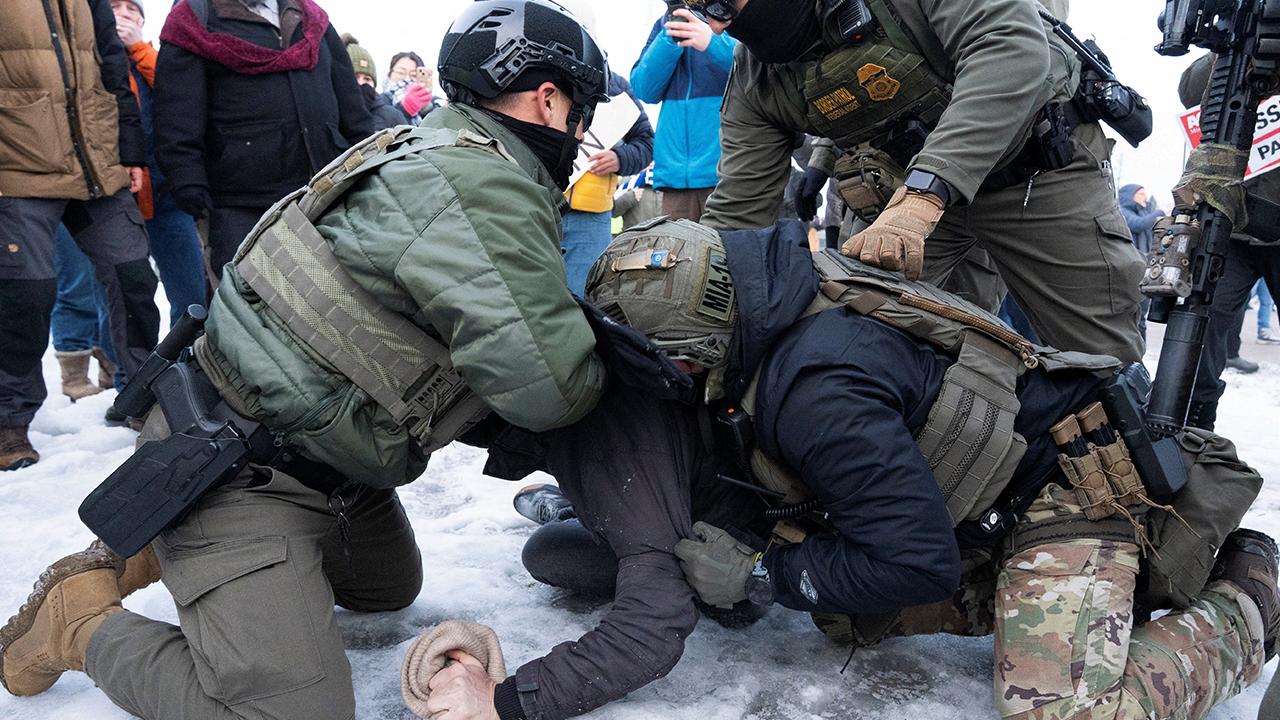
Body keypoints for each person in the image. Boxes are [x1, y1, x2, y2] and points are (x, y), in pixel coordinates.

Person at [0, 4, 611, 719]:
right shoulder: (485, 185)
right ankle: (78, 621)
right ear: (549, 99)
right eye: (580, 114)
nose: (577, 135)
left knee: (386, 590)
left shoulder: (421, 149)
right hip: (233, 471)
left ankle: (158, 546)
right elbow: (552, 391)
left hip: (314, 458)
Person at [425, 216, 1277, 720]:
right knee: (848, 615)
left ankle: (1249, 594)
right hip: (979, 492)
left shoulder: (812, 391)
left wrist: (764, 574)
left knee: (1061, 710)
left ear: (695, 351)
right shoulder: (775, 306)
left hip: (1067, 493)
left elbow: (915, 562)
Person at [696, 0, 1147, 363]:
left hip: (1034, 172)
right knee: (851, 348)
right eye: (697, 10)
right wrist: (684, 277)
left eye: (717, 4)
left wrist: (924, 195)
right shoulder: (755, 76)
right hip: (903, 199)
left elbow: (1009, 48)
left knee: (1104, 363)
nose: (715, 28)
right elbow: (737, 212)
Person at [0, 0, 161, 471]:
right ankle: (9, 419)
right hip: (17, 167)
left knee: (133, 276)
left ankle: (142, 395)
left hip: (96, 162)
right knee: (25, 295)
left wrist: (131, 151)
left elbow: (114, 71)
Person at [154, 0, 374, 275]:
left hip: (326, 192)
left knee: (335, 303)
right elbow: (176, 113)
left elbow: (351, 105)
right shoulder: (193, 19)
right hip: (241, 204)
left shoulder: (313, 19)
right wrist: (188, 180)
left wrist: (371, 159)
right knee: (253, 308)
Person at [1179, 53, 1280, 429]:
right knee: (1201, 336)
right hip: (1232, 226)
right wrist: (1240, 44)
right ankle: (1195, 434)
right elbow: (1190, 91)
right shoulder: (1239, 51)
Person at [629, 5, 737, 221]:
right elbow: (644, 89)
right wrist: (670, 37)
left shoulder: (734, 12)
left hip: (726, 176)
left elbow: (760, 68)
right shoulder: (665, 22)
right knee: (678, 254)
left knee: (730, 252)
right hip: (675, 180)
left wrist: (712, 42)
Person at [1119, 183, 1164, 341]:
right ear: (1129, 196)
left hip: (1145, 267)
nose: (1144, 197)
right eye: (1140, 194)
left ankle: (1139, 356)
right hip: (1131, 267)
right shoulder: (1123, 212)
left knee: (1141, 316)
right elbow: (1138, 224)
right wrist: (1158, 212)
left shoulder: (1145, 213)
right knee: (1132, 314)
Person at [344, 33, 410, 130]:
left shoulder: (392, 116)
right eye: (355, 77)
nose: (361, 83)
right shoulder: (330, 114)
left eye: (367, 79)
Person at [383, 50, 443, 124]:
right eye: (401, 72)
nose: (407, 78)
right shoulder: (379, 101)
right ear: (390, 74)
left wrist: (427, 111)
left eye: (414, 75)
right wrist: (405, 110)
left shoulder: (436, 103)